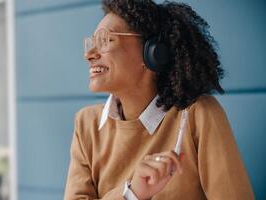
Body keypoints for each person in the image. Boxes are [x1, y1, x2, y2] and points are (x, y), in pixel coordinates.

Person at [64, 0, 254, 199]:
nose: (89, 54)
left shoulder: (199, 115)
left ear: (152, 53)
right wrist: (131, 193)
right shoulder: (87, 125)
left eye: (105, 40)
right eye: (92, 42)